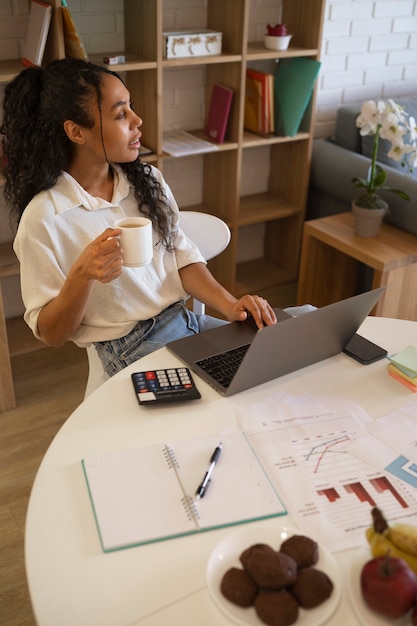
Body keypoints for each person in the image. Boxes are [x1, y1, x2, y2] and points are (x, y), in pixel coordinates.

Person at [1, 58, 277, 377]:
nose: (137, 120)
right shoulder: (45, 218)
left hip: (185, 321)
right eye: (121, 114)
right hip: (131, 347)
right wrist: (82, 275)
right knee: (233, 391)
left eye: (130, 107)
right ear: (76, 131)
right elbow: (52, 334)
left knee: (280, 344)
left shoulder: (146, 181)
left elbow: (181, 256)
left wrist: (230, 306)